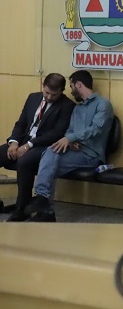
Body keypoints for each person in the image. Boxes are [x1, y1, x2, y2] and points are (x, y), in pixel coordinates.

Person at [25, 70, 114, 222]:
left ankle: (45, 207)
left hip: (91, 155)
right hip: (75, 152)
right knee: (51, 153)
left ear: (78, 84)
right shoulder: (77, 108)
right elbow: (70, 131)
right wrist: (70, 141)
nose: (71, 91)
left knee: (49, 164)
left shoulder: (103, 104)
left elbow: (96, 129)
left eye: (72, 86)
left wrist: (71, 138)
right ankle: (43, 204)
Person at [1, 73, 76, 221]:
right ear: (43, 86)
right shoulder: (33, 98)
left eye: (54, 95)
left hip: (43, 145)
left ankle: (22, 208)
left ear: (62, 91)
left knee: (25, 161)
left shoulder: (67, 106)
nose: (49, 97)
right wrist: (14, 142)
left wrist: (29, 145)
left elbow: (56, 133)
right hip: (23, 140)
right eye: (47, 92)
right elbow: (21, 123)